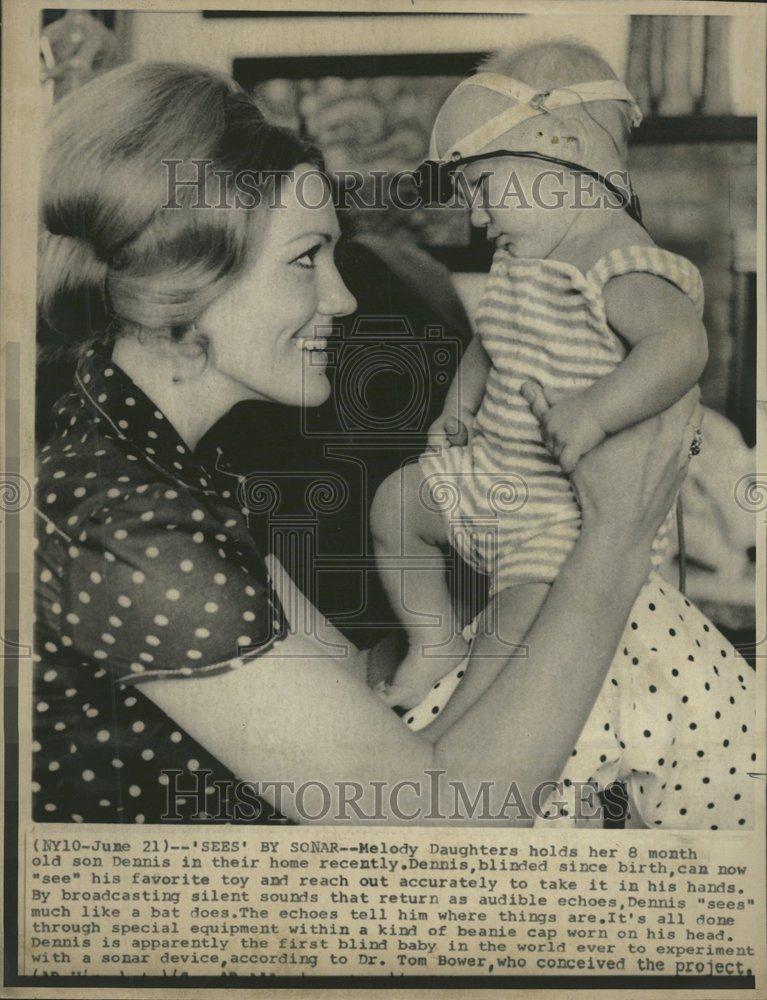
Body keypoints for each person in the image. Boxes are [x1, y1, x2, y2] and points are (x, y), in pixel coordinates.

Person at [35, 60, 702, 827]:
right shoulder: (132, 529)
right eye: (305, 258)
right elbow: (433, 830)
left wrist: (498, 611)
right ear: (191, 276)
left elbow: (356, 709)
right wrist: (613, 541)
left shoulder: (158, 464)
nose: (343, 298)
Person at [371, 42, 754, 828]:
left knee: (509, 648)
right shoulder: (521, 261)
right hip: (496, 476)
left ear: (566, 153)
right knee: (395, 506)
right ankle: (431, 640)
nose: (476, 215)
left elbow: (682, 348)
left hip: (562, 518)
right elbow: (490, 344)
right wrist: (455, 406)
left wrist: (596, 410)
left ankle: (447, 753)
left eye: (484, 189)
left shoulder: (623, 262)